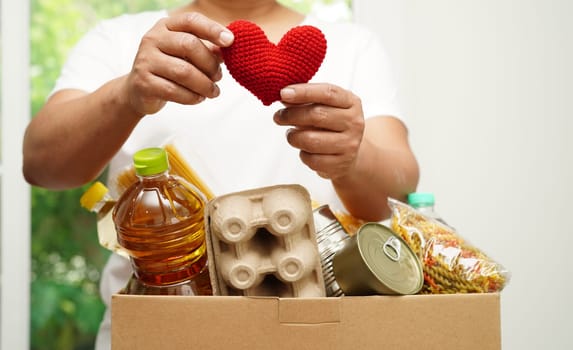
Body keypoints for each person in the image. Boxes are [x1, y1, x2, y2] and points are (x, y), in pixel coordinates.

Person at [22, 1, 419, 348]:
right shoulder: (122, 41)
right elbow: (42, 165)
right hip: (160, 333)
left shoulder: (352, 46)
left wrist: (353, 157)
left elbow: (399, 192)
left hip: (315, 333)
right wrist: (127, 94)